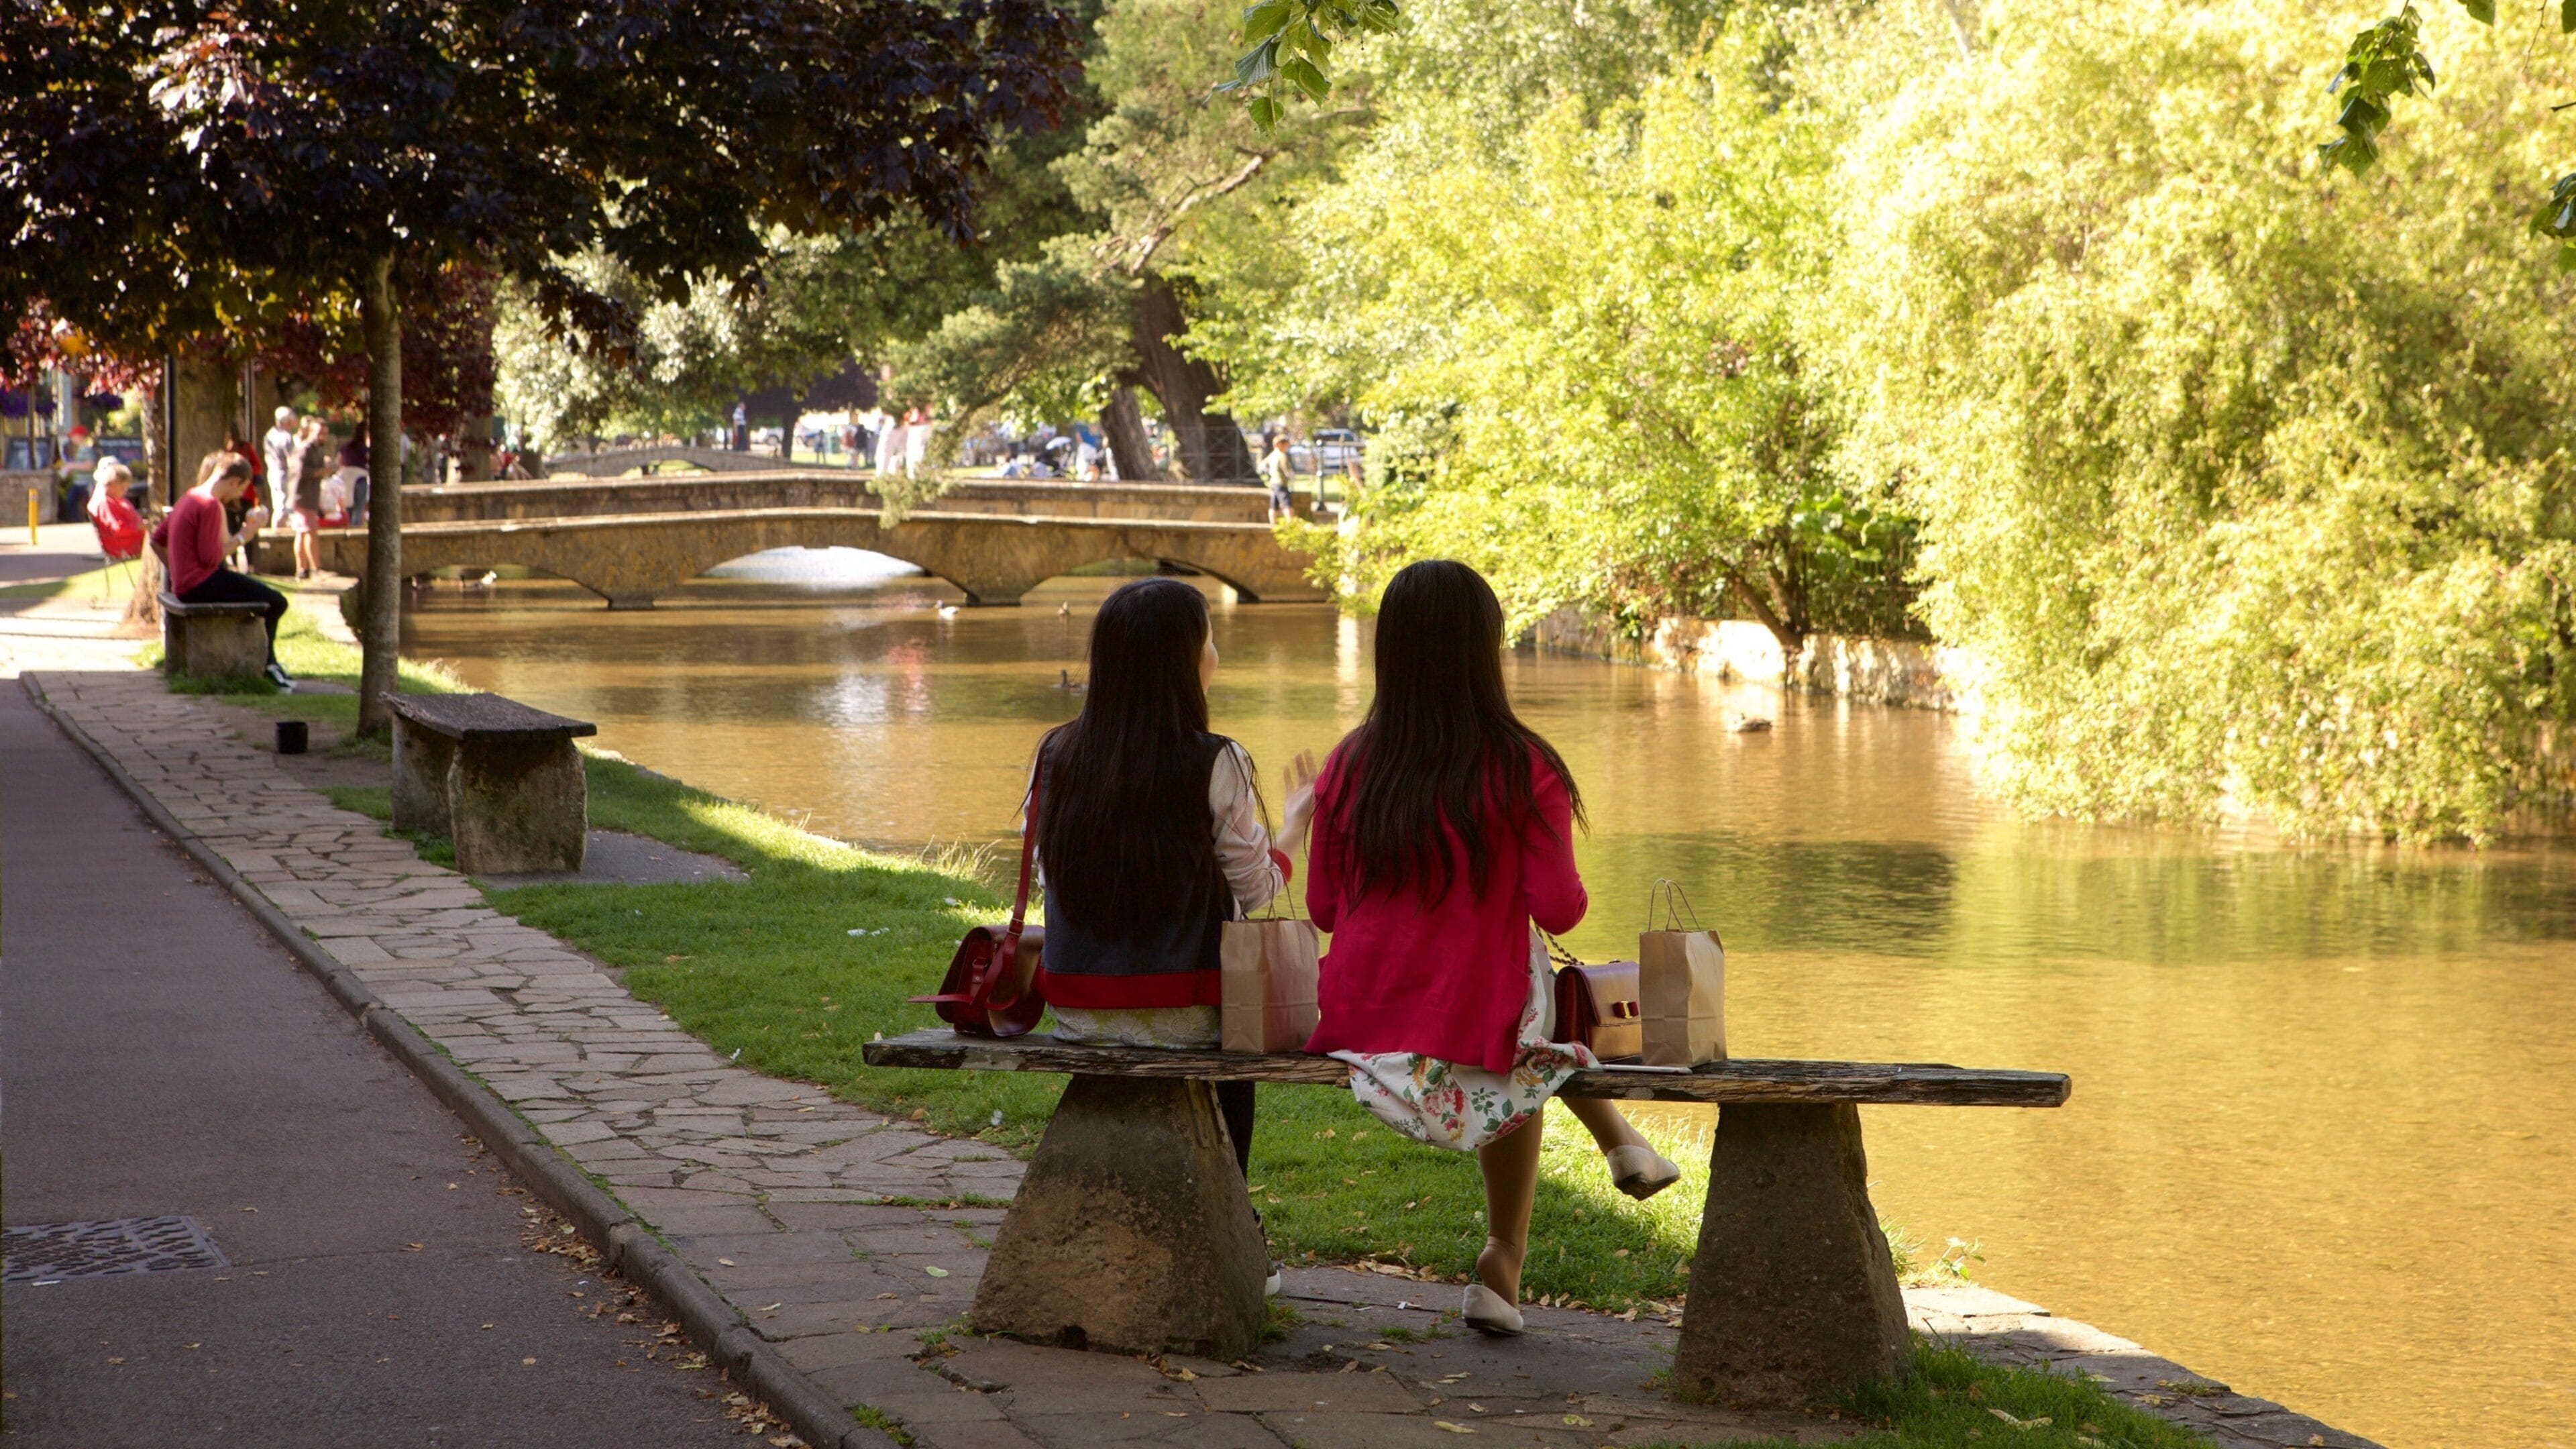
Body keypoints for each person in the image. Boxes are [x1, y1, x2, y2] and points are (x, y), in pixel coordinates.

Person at [1304, 559, 1680, 1337]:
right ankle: (1512, 1246)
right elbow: (1562, 910)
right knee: (1519, 1005)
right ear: (1486, 649)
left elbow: (1323, 912)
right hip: (1479, 1022)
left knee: (1513, 1008)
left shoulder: (1348, 763)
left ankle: (1516, 1257)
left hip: (1363, 1025)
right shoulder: (1522, 764)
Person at [1028, 578, 1319, 1287]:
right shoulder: (1216, 759)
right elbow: (1260, 896)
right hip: (1184, 1013)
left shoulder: (1056, 753)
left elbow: (1047, 879)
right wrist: (1294, 824)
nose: (1216, 651)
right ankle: (1237, 1224)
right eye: (1209, 638)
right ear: (1185, 662)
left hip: (1074, 1009)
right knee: (1238, 1048)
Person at [150, 451, 291, 689]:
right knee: (276, 602)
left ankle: (267, 661)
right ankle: (267, 664)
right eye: (239, 490)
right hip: (200, 584)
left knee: (263, 596)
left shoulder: (190, 497)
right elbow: (210, 558)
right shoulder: (210, 505)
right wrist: (244, 536)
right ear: (234, 482)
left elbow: (156, 540)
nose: (238, 496)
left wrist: (177, 570)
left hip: (187, 584)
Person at [286, 417, 329, 578]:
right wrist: (322, 471)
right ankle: (316, 569)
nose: (323, 437)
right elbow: (299, 471)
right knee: (311, 532)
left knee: (303, 532)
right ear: (311, 432)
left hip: (310, 497)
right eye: (320, 433)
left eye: (325, 434)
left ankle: (302, 570)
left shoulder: (318, 449)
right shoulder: (304, 449)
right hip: (302, 497)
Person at [87, 458, 146, 561]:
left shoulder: (117, 500)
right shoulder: (106, 503)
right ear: (113, 484)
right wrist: (139, 527)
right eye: (123, 487)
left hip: (135, 542)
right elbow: (117, 529)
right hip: (125, 546)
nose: (125, 491)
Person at [335, 422, 370, 527]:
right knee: (359, 506)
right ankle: (356, 528)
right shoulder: (364, 448)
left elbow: (339, 462)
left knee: (348, 506)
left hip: (346, 478)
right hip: (360, 478)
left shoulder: (346, 446)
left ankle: (349, 525)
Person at [1259, 433, 1295, 523]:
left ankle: (1273, 524)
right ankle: (1291, 525)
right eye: (1286, 445)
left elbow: (1263, 465)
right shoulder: (1282, 455)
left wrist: (1269, 473)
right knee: (1287, 505)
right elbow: (1286, 470)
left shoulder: (1272, 455)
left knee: (1274, 505)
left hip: (1273, 483)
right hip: (1281, 483)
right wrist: (1291, 476)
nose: (1287, 447)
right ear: (1280, 444)